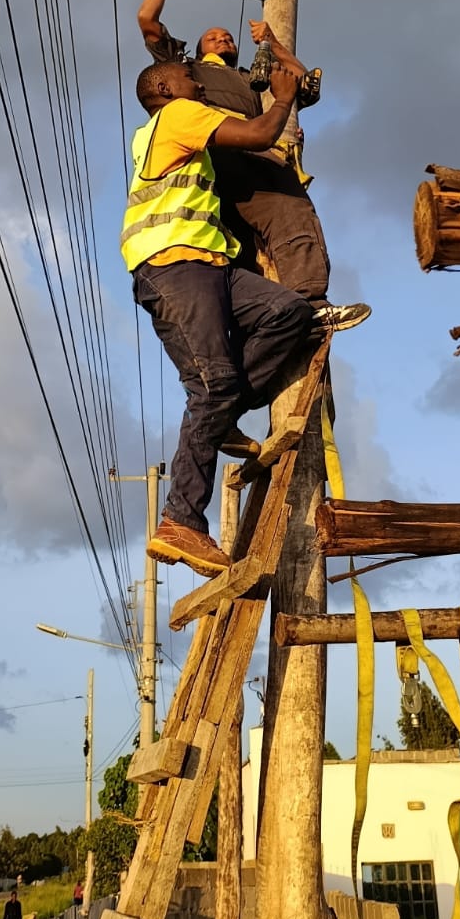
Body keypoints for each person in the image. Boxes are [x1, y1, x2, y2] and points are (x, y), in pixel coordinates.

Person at [122, 52, 320, 576]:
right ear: (166, 89)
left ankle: (224, 415)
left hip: (211, 266)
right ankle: (181, 520)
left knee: (287, 312)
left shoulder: (176, 128)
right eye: (189, 78)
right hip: (176, 266)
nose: (199, 83)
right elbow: (257, 133)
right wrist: (282, 98)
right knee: (213, 386)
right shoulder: (177, 115)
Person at [138, 0, 369, 331]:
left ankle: (286, 316)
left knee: (259, 237)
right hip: (215, 149)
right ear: (198, 49)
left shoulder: (251, 79)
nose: (223, 38)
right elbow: (148, 21)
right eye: (213, 37)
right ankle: (301, 308)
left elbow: (302, 84)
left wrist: (273, 44)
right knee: (283, 209)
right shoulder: (185, 71)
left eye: (228, 37)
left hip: (244, 153)